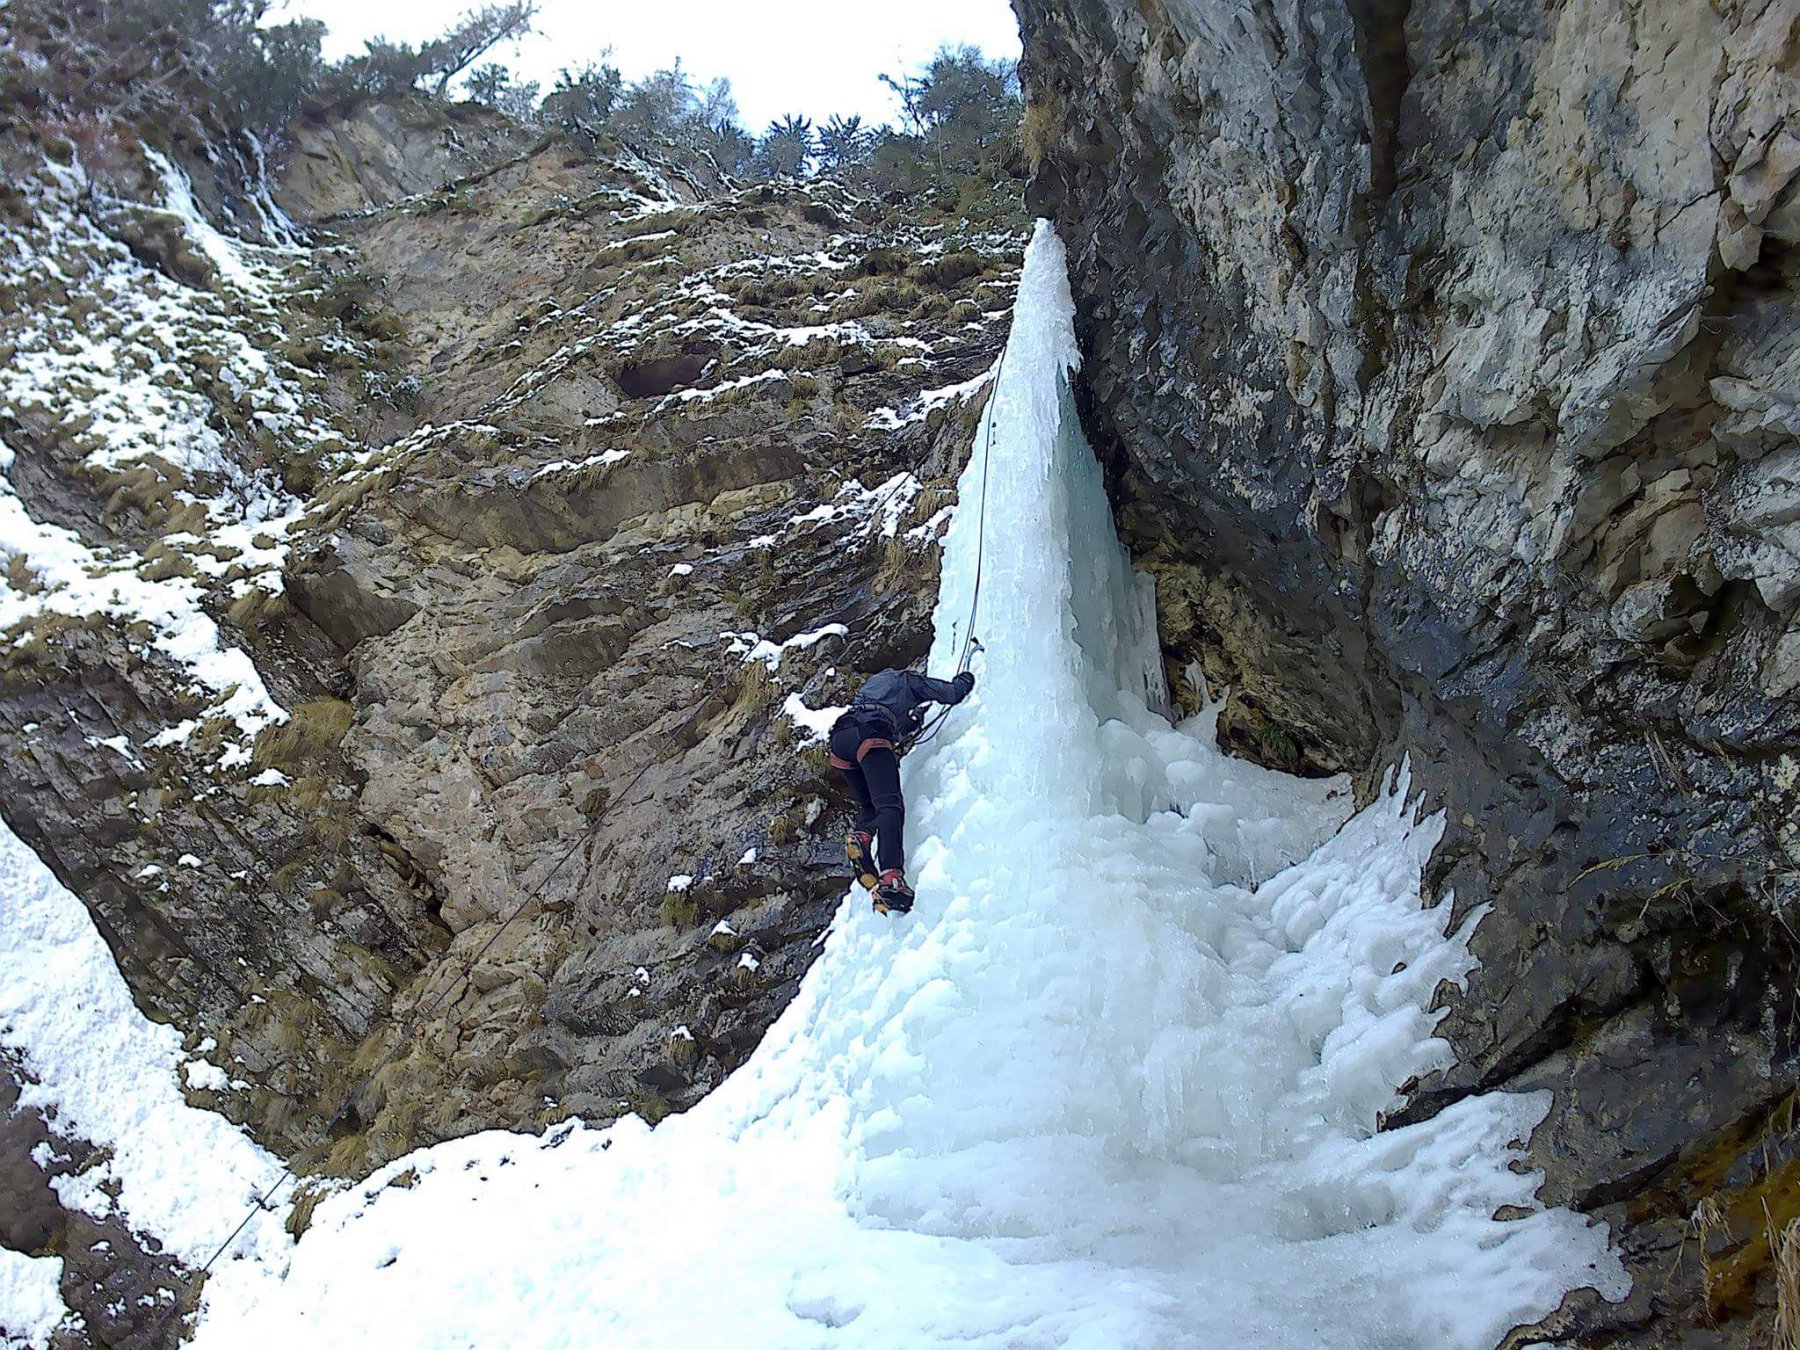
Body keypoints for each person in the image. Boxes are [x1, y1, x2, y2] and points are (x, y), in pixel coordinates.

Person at [828, 665, 976, 914]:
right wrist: (966, 678)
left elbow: (896, 722)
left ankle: (862, 837)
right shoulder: (908, 681)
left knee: (870, 805)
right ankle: (891, 877)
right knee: (889, 805)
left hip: (841, 739)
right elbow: (951, 693)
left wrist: (912, 723)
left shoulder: (869, 689)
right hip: (870, 733)